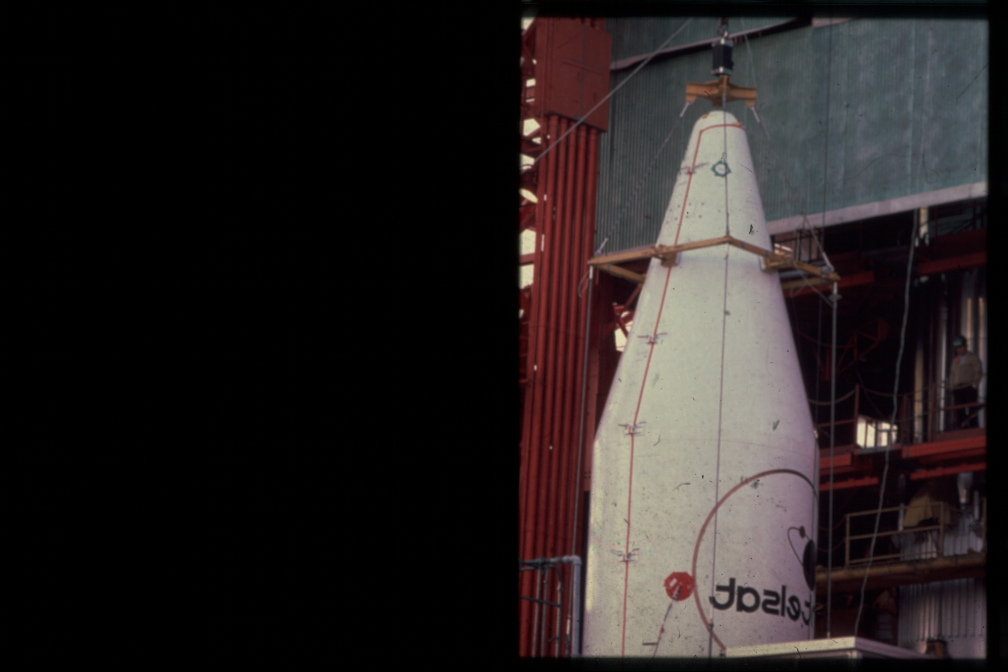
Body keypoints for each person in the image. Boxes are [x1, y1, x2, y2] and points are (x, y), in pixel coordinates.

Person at [949, 334, 983, 429]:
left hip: (969, 387)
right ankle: (961, 427)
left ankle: (973, 427)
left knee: (971, 408)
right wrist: (952, 387)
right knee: (959, 409)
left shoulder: (973, 357)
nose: (959, 350)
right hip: (958, 388)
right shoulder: (955, 360)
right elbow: (952, 374)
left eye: (960, 347)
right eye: (957, 348)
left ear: (965, 346)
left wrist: (975, 384)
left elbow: (978, 371)